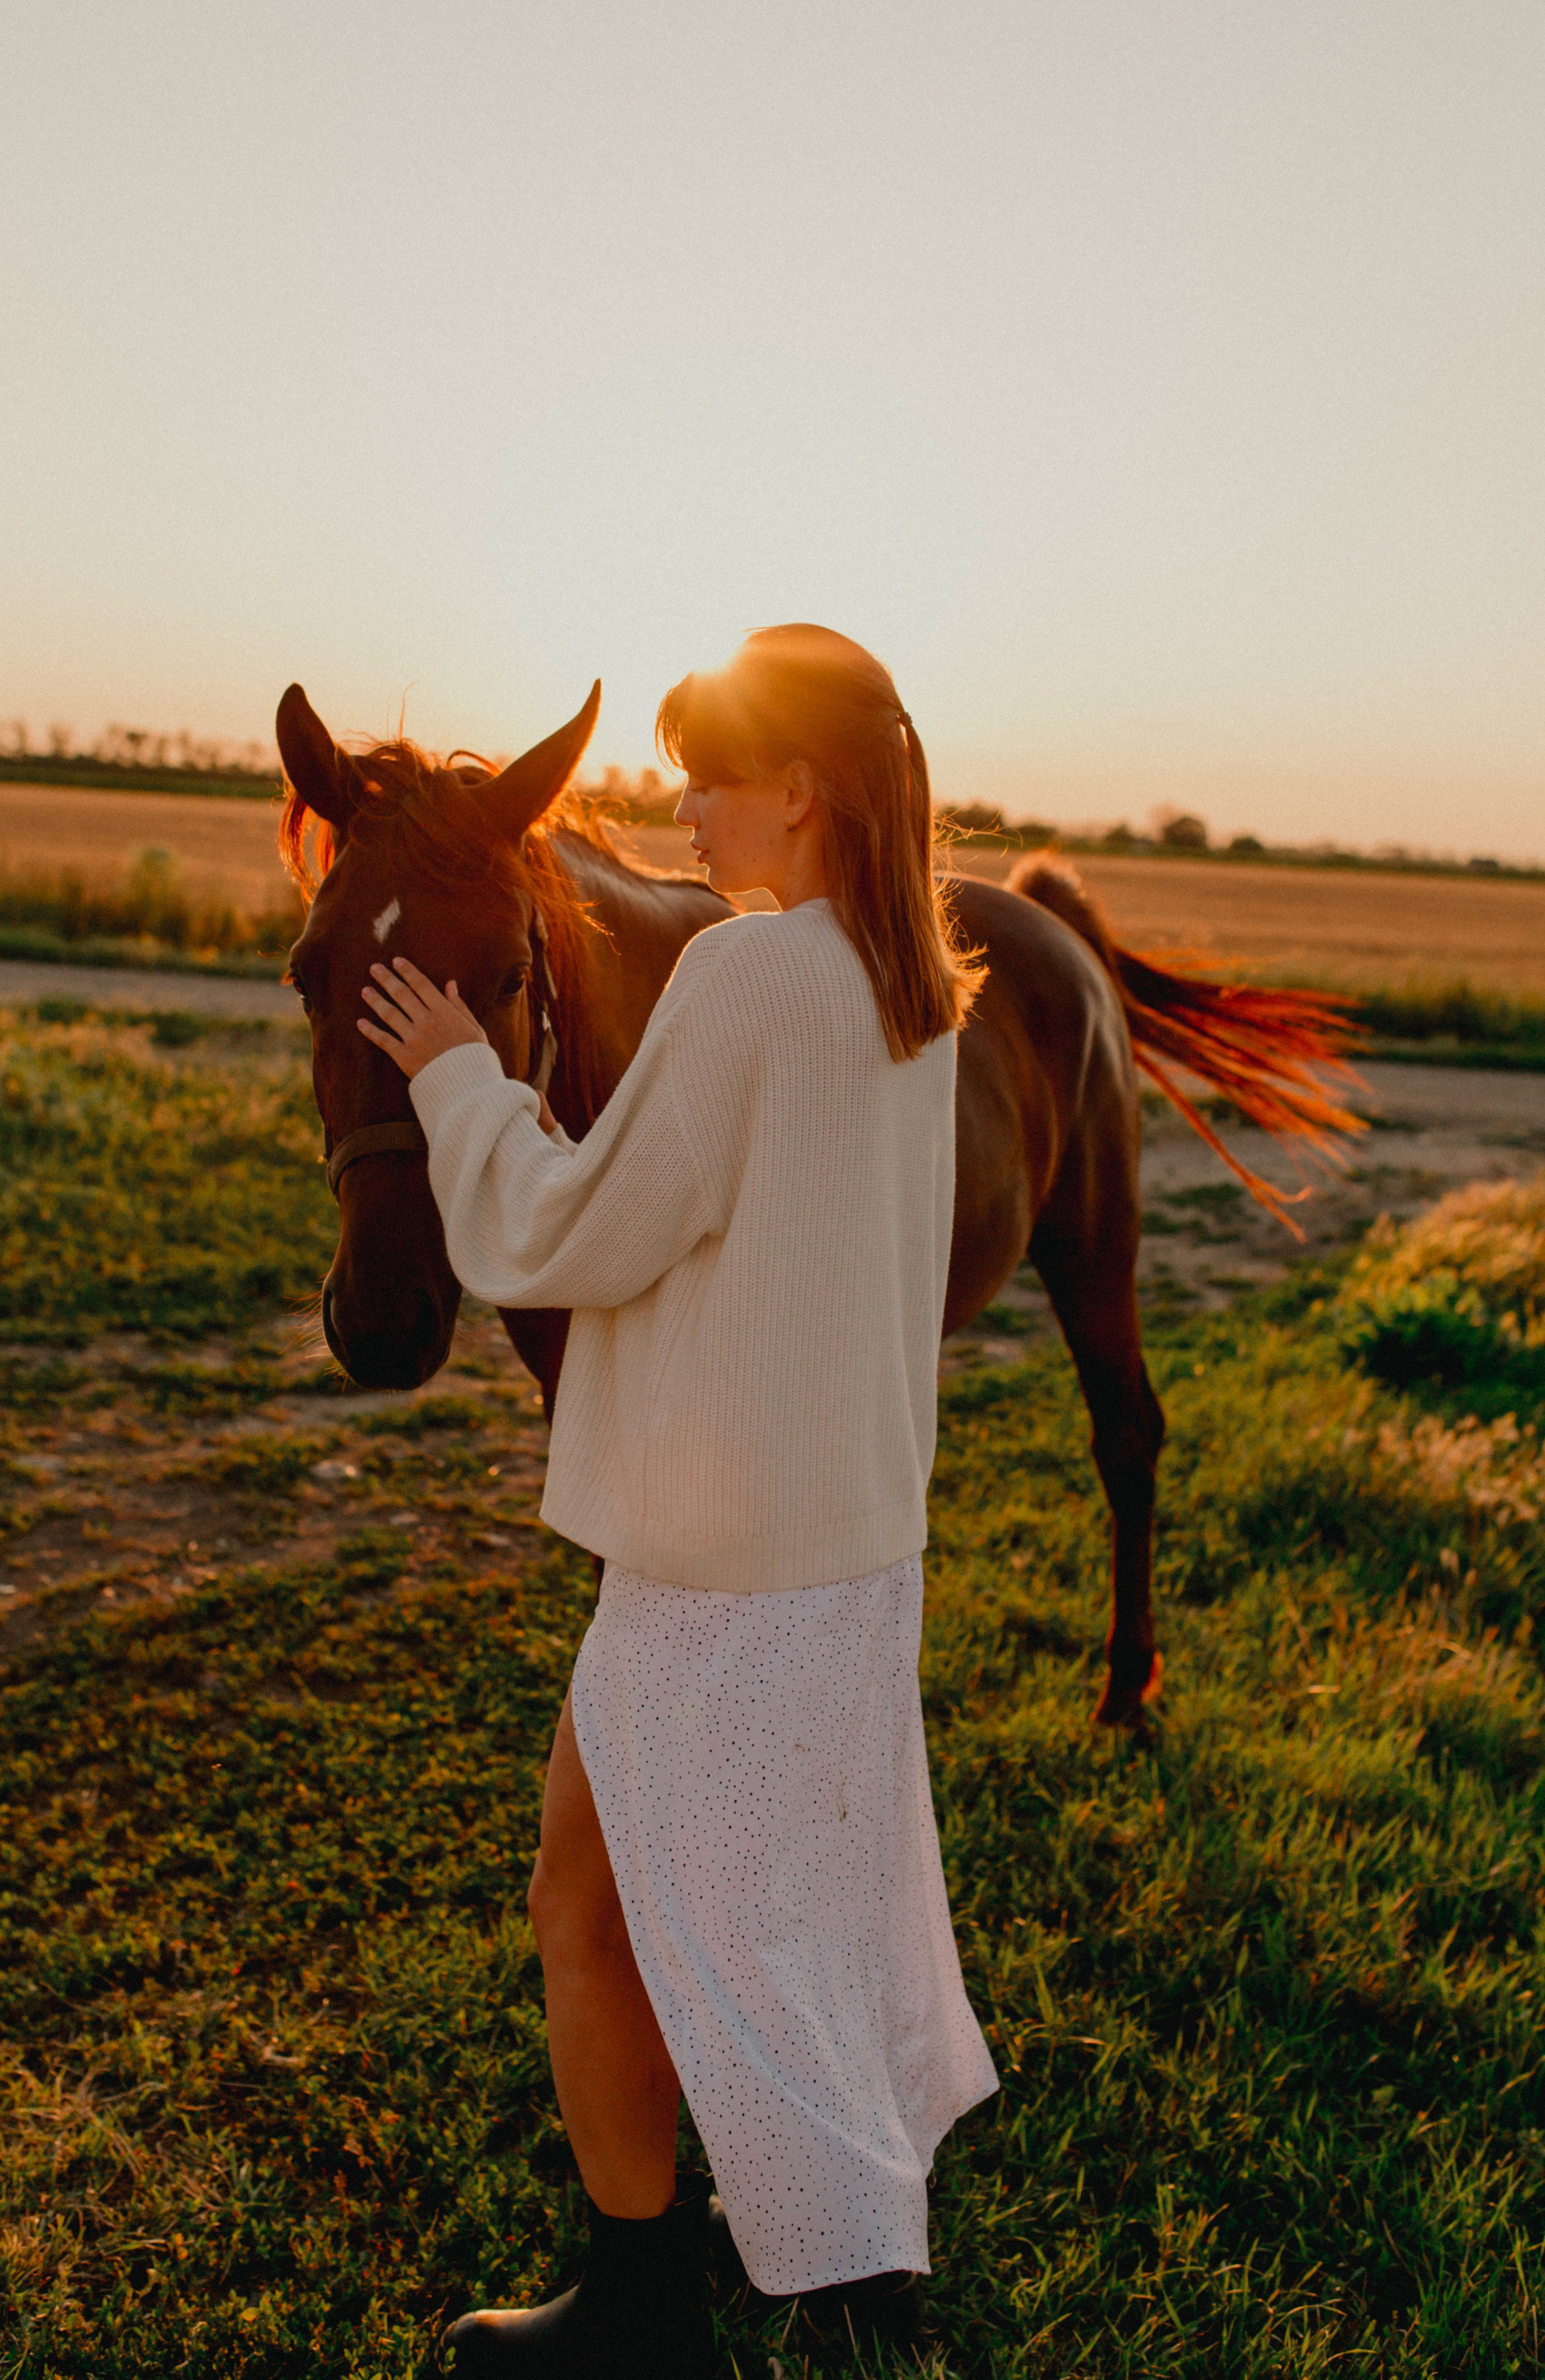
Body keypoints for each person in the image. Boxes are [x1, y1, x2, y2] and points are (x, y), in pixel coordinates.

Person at [357, 624, 999, 2377]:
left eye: (712, 773)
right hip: (845, 1546)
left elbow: (579, 1231)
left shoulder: (748, 976)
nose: (689, 809)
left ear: (801, 786)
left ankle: (715, 2300)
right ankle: (761, 2259)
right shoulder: (910, 988)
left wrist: (453, 1075)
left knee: (663, 1919)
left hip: (720, 1564)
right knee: (749, 1903)